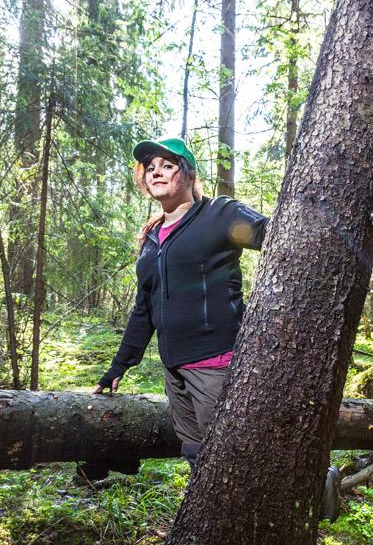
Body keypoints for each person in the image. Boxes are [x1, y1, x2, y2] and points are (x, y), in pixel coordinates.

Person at [95, 137, 342, 517]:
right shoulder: (151, 238)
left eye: (168, 164)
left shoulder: (219, 216)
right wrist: (119, 366)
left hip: (216, 362)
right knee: (195, 449)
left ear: (188, 173)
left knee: (237, 451)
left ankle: (314, 484)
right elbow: (143, 310)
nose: (157, 171)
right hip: (174, 366)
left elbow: (277, 237)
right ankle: (212, 515)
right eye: (151, 167)